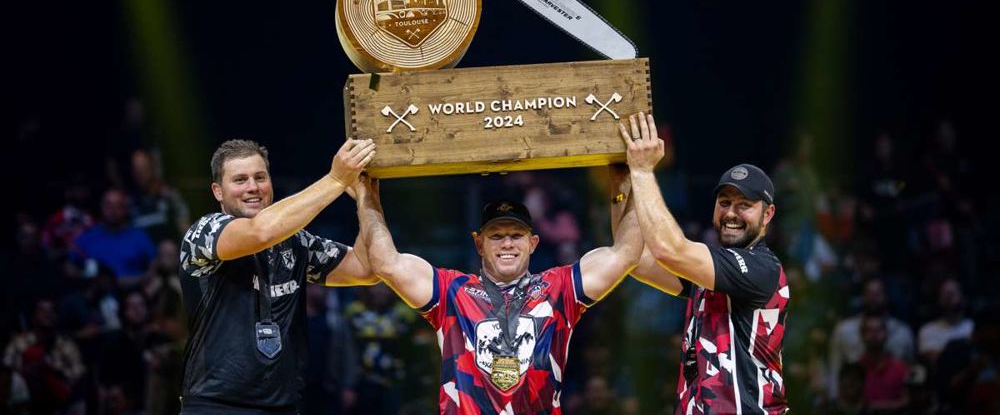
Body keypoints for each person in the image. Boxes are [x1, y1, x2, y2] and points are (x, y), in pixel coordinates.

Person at [353, 166, 642, 415]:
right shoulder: (452, 292)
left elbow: (627, 254)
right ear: (479, 244)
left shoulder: (560, 288)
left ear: (533, 243)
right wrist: (367, 195)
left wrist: (624, 181)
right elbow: (386, 263)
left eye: (517, 236)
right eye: (497, 236)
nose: (507, 244)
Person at [178, 138, 378, 414]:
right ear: (218, 192)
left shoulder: (296, 242)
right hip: (215, 405)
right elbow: (260, 232)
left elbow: (367, 267)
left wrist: (367, 199)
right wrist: (335, 179)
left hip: (284, 406)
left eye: (260, 177)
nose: (253, 187)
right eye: (240, 180)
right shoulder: (204, 232)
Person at [619, 112, 789, 414]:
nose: (731, 213)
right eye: (724, 202)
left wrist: (643, 172)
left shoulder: (763, 268)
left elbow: (668, 250)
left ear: (768, 215)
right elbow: (635, 259)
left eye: (745, 205)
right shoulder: (709, 273)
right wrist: (622, 180)